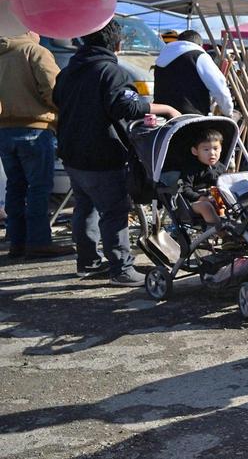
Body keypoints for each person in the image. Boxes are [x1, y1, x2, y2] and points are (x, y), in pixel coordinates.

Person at [54, 19, 181, 285]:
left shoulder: (68, 71)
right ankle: (121, 269)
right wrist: (165, 109)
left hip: (72, 153)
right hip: (101, 154)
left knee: (85, 208)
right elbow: (126, 106)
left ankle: (87, 263)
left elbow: (57, 100)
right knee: (114, 211)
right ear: (117, 43)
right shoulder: (111, 71)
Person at [0, 32, 71, 258]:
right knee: (39, 188)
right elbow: (54, 91)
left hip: (4, 130)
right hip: (35, 128)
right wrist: (64, 117)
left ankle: (16, 240)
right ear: (29, 31)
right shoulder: (35, 51)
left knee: (15, 187)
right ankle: (39, 241)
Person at [153, 30, 235, 117]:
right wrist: (228, 112)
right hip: (190, 118)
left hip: (161, 116)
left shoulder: (162, 56)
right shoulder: (198, 56)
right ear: (200, 45)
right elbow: (219, 88)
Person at [177, 127, 229, 227]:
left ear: (221, 148)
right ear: (195, 151)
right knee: (206, 206)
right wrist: (200, 197)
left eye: (215, 148)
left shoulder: (221, 167)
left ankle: (236, 227)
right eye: (206, 149)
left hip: (217, 200)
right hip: (195, 203)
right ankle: (221, 232)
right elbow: (184, 189)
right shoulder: (191, 169)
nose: (212, 153)